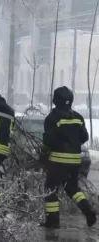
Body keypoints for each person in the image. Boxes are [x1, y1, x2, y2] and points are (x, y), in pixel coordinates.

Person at [39, 86, 96, 229]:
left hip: (58, 160)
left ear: (55, 100)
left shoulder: (52, 118)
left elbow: (48, 141)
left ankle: (53, 222)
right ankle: (89, 212)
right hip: (75, 161)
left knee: (50, 189)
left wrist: (44, 153)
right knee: (72, 188)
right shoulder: (77, 117)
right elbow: (84, 137)